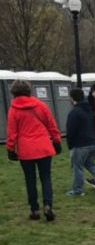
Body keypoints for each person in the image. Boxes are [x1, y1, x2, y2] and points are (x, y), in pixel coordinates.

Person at [5, 79, 61, 221]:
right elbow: (51, 124)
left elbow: (12, 132)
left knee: (30, 180)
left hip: (26, 150)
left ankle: (34, 209)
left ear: (13, 93)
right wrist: (56, 140)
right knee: (46, 178)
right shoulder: (40, 105)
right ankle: (48, 205)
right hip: (43, 146)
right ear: (29, 91)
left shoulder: (13, 109)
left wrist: (11, 148)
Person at [66, 88, 95, 196]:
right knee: (90, 164)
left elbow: (71, 130)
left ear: (73, 98)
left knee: (77, 167)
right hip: (92, 143)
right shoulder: (89, 110)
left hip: (80, 144)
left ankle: (77, 190)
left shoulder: (74, 112)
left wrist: (70, 144)